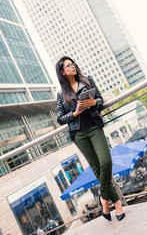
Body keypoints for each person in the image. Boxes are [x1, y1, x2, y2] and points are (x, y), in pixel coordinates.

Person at [56, 56, 125, 221]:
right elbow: (60, 118)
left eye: (73, 64)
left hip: (94, 127)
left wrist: (93, 103)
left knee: (106, 162)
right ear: (62, 72)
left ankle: (104, 200)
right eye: (68, 65)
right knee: (96, 167)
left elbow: (100, 100)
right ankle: (117, 204)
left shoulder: (87, 81)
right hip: (78, 134)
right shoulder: (61, 93)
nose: (73, 66)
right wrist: (75, 113)